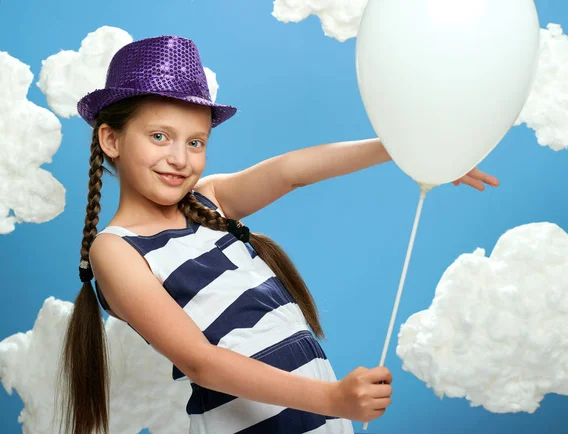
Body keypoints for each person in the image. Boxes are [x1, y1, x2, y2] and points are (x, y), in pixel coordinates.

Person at [57, 35, 499, 434]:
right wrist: (332, 399)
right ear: (111, 140)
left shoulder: (208, 200)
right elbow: (200, 361)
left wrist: (411, 149)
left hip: (317, 416)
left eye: (196, 142)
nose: (180, 158)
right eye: (159, 136)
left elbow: (292, 172)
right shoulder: (115, 250)